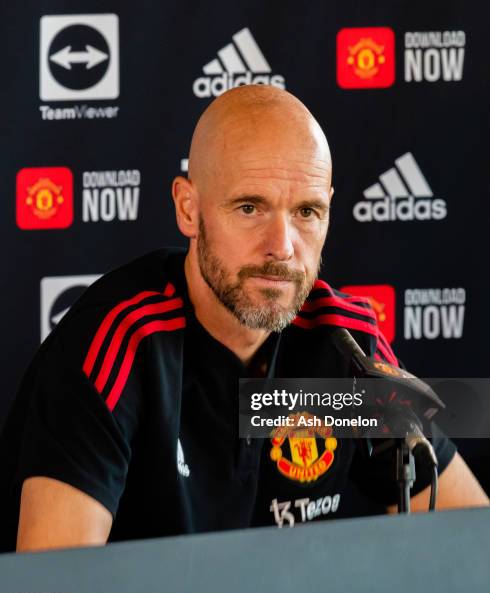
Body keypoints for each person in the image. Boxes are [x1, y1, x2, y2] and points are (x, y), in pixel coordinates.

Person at [1, 85, 487, 553]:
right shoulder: (117, 342)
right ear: (188, 209)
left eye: (307, 212)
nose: (282, 246)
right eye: (250, 207)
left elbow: (471, 539)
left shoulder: (343, 344)